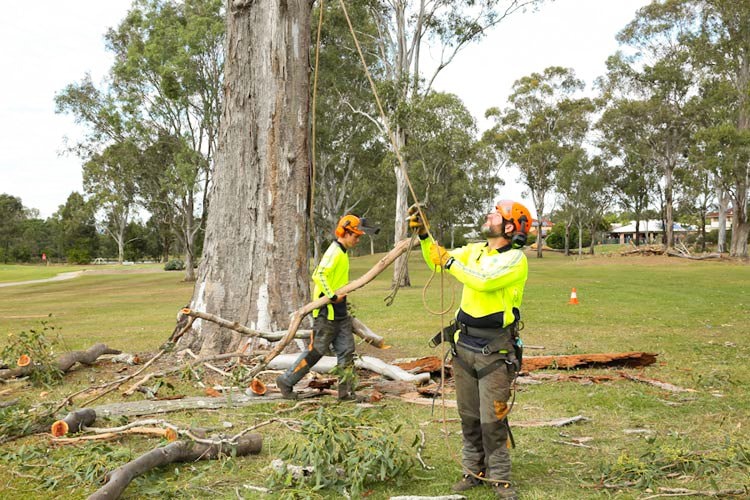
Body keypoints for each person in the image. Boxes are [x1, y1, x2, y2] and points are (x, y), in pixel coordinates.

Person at [409, 200, 531, 500]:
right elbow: (437, 260)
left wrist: (451, 263)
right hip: (464, 346)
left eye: (496, 215)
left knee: (493, 418)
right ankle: (472, 471)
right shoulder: (474, 250)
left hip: (496, 350)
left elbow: (484, 282)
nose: (489, 216)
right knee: (468, 415)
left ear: (510, 227)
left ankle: (499, 477)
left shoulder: (515, 260)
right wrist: (426, 237)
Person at [276, 214, 378, 401]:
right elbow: (318, 275)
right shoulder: (334, 252)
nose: (357, 240)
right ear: (345, 233)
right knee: (316, 352)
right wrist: (331, 296)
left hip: (340, 313)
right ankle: (286, 380)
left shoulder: (343, 252)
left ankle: (346, 393)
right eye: (355, 236)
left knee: (347, 351)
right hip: (326, 312)